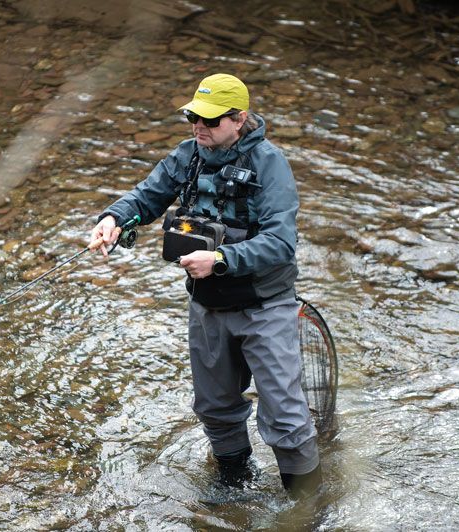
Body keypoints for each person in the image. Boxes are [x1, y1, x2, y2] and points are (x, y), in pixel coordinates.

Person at [89, 73, 321, 497]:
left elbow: (281, 243)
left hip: (264, 306)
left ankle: (307, 512)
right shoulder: (187, 155)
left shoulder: (270, 164)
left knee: (287, 420)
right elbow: (146, 197)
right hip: (208, 306)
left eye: (211, 121)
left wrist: (220, 259)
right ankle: (233, 491)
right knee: (214, 410)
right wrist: (113, 219)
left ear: (239, 119)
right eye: (193, 116)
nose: (200, 126)